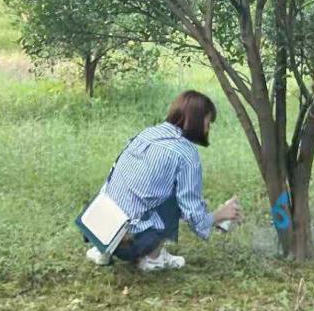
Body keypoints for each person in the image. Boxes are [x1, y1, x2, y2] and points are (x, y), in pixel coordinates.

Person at [84, 89, 243, 272]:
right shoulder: (186, 154)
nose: (209, 128)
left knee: (127, 187)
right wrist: (219, 215)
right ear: (197, 120)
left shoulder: (148, 133)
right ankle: (152, 259)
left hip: (97, 224)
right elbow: (194, 215)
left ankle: (102, 251)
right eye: (208, 121)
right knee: (175, 199)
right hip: (129, 243)